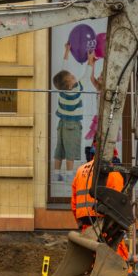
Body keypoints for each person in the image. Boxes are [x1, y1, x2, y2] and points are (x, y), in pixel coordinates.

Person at [70, 147, 132, 276]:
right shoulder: (112, 173)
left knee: (94, 261)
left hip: (87, 225)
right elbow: (118, 203)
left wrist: (82, 225)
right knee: (117, 260)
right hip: (107, 225)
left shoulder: (81, 170)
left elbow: (74, 203)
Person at [52, 42, 84, 182]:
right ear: (70, 84)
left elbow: (62, 71)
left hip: (62, 123)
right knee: (70, 150)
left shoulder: (62, 90)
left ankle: (57, 173)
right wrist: (90, 62)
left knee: (60, 149)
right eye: (71, 77)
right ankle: (70, 175)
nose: (73, 76)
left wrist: (66, 52)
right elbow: (87, 76)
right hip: (73, 124)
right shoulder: (76, 91)